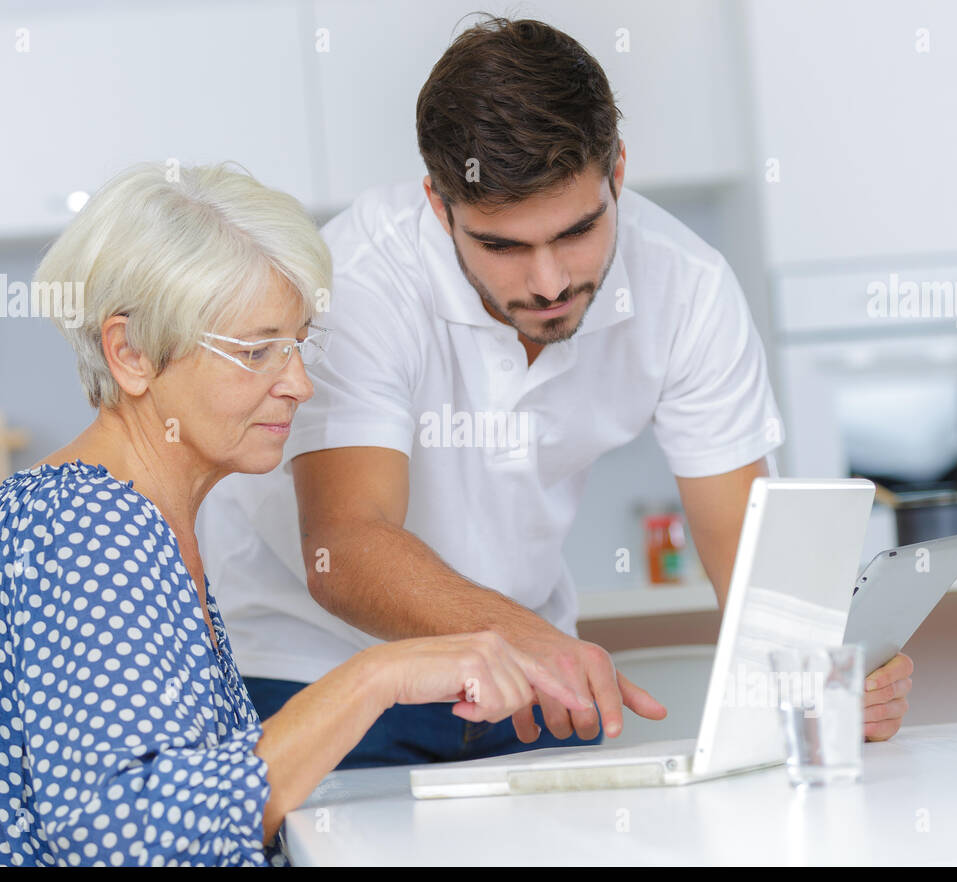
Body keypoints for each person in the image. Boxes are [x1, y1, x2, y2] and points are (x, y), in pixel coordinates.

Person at [201, 16, 913, 767]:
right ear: (440, 207)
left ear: (619, 175)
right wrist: (531, 638)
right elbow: (344, 545)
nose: (548, 283)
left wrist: (828, 675)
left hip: (524, 689)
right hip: (318, 679)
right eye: (503, 246)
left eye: (577, 232)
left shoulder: (688, 287)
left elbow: (746, 552)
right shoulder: (356, 281)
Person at [0, 162, 579, 867]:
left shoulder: (123, 516)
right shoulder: (88, 530)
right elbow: (135, 837)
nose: (300, 384)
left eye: (300, 343)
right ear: (129, 354)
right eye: (255, 351)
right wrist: (381, 676)